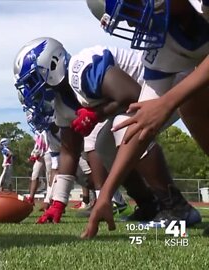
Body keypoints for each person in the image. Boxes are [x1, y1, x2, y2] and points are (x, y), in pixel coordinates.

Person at [13, 37, 186, 225]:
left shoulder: (82, 68)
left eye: (33, 80)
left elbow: (132, 94)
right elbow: (69, 151)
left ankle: (176, 207)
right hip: (145, 100)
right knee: (104, 144)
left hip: (171, 83)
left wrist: (96, 114)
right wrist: (58, 203)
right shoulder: (62, 103)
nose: (32, 90)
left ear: (53, 64)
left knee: (125, 127)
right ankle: (149, 204)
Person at [83, 0, 209, 238]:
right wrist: (106, 194)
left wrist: (167, 102)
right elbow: (140, 123)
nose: (133, 21)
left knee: (186, 93)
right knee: (191, 101)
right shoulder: (164, 42)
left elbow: (161, 105)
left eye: (130, 9)